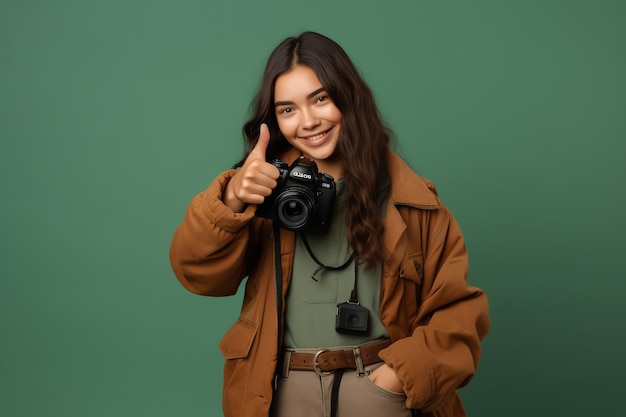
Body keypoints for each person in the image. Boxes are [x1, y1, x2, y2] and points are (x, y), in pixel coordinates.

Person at [169, 31, 490, 417]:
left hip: (381, 391)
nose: (307, 122)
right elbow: (198, 274)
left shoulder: (414, 203)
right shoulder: (264, 192)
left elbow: (458, 312)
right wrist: (233, 197)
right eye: (287, 110)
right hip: (281, 393)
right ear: (274, 119)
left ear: (348, 96)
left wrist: (395, 379)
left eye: (320, 98)